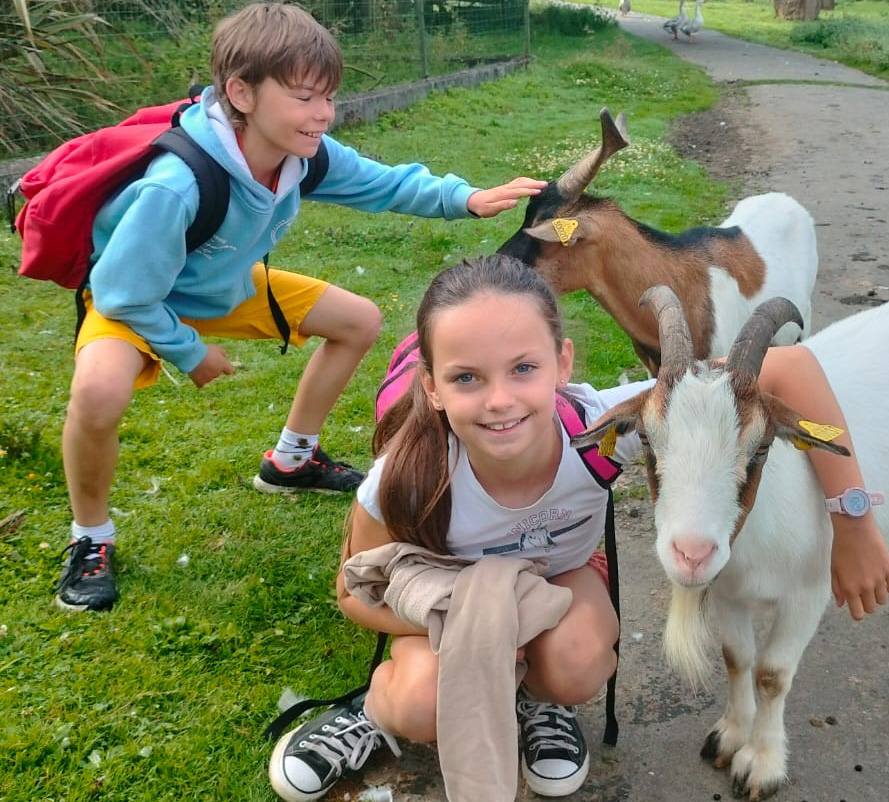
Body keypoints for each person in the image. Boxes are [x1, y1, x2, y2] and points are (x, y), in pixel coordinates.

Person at [267, 255, 889, 802]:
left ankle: (539, 700)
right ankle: (370, 711)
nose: (500, 400)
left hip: (555, 577)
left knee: (580, 662)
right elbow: (354, 594)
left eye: (523, 369)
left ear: (562, 363)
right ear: (429, 387)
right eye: (466, 377)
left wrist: (855, 521)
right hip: (443, 597)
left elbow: (788, 366)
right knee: (419, 703)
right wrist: (477, 630)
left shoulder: (611, 424)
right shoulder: (404, 475)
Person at [53, 2, 548, 613]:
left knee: (358, 320)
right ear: (242, 93)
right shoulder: (176, 183)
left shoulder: (301, 155)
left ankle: (291, 461)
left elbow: (385, 182)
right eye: (304, 97)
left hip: (225, 285)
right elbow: (123, 291)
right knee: (98, 393)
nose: (323, 115)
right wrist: (189, 351)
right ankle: (90, 539)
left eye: (329, 97)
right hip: (140, 298)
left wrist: (466, 198)